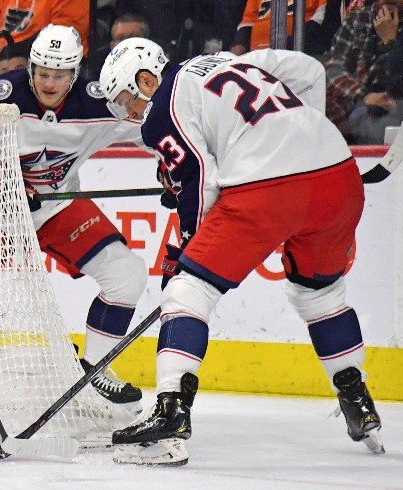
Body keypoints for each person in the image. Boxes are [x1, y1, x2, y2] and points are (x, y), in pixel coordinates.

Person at [98, 38, 383, 466]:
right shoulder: (230, 62)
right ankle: (358, 400)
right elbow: (309, 71)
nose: (129, 114)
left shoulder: (160, 108)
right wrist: (306, 142)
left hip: (270, 187)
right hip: (339, 178)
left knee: (187, 292)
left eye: (125, 101)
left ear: (145, 78)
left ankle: (171, 414)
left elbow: (200, 179)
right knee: (319, 295)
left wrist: (186, 249)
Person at [0, 24, 148, 417]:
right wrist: (5, 187)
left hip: (56, 209)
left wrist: (180, 167)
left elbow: (152, 131)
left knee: (127, 274)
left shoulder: (97, 105)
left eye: (60, 75)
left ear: (75, 73)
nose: (49, 83)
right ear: (31, 66)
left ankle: (96, 370)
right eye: (43, 73)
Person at [324, 0, 403, 141]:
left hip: (395, 109)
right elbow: (332, 70)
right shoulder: (357, 20)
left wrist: (390, 42)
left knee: (380, 122)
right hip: (354, 108)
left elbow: (396, 79)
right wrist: (364, 96)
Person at [229, 0, 330, 56]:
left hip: (297, 56)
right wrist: (238, 46)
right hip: (256, 58)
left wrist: (288, 48)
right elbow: (248, 21)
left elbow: (320, 17)